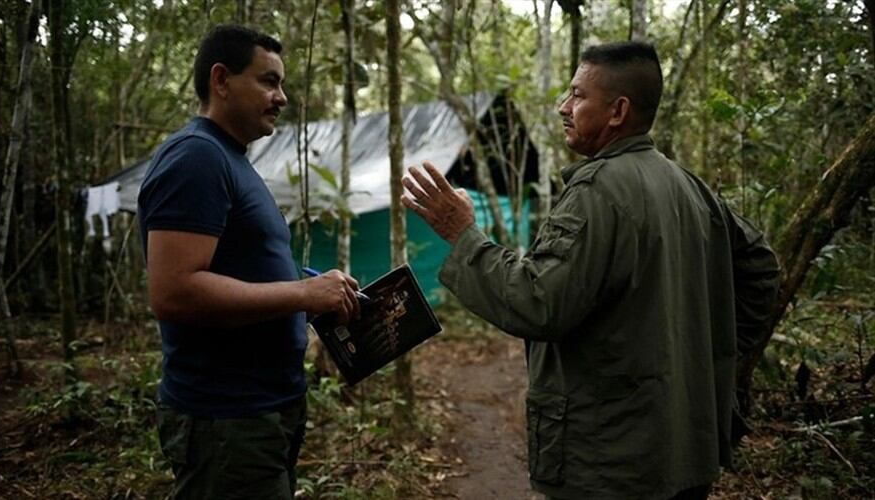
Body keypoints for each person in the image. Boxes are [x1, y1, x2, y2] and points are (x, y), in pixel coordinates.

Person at [401, 41, 780, 500]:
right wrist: (712, 358)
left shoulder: (598, 191)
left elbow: (536, 303)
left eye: (578, 96)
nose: (564, 106)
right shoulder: (688, 185)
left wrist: (462, 234)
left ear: (617, 111)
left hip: (612, 462)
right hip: (686, 451)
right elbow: (761, 266)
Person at [137, 25, 361, 499]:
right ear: (221, 80)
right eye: (268, 81)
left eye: (281, 84)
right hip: (226, 419)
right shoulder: (197, 157)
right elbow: (173, 291)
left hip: (261, 411)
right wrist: (301, 295)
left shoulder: (231, 159)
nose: (281, 97)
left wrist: (319, 287)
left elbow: (243, 266)